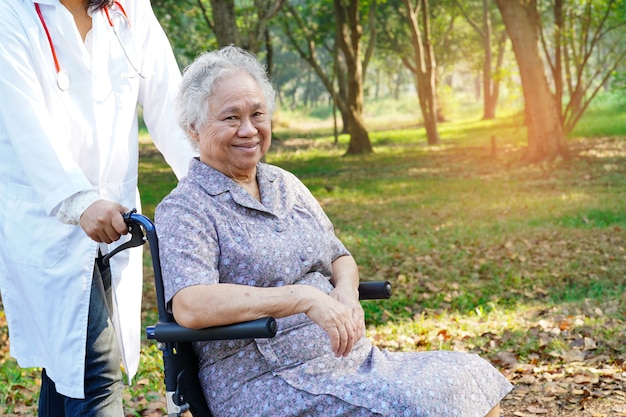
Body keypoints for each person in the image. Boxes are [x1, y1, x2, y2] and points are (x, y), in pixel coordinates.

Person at [155, 45, 513, 417]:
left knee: (469, 375)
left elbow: (339, 257)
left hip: (349, 361)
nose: (249, 130)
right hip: (266, 380)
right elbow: (190, 305)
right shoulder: (186, 207)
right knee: (412, 406)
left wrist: (345, 293)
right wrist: (302, 298)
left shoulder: (285, 184)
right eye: (231, 117)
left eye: (257, 114)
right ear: (193, 128)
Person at [0, 0, 195, 415]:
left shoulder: (131, 9)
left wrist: (208, 184)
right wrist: (80, 201)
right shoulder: (10, 13)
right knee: (95, 370)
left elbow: (172, 106)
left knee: (65, 369)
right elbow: (24, 121)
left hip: (114, 220)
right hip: (46, 215)